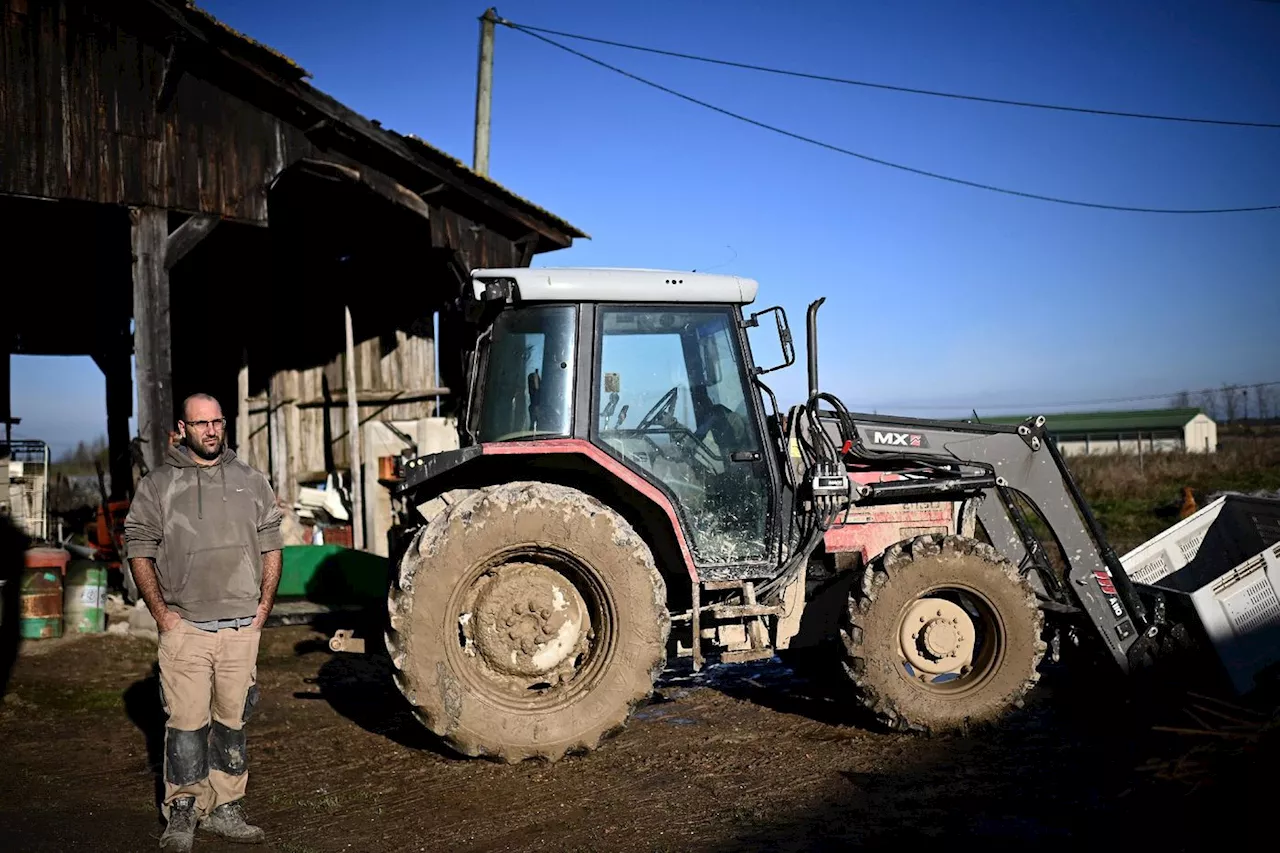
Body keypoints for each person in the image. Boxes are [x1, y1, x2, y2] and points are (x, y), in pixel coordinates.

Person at [124, 393, 283, 852]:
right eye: (201, 424)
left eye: (217, 422)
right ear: (183, 428)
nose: (211, 431)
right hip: (187, 629)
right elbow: (139, 547)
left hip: (240, 629)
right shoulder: (158, 485)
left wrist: (263, 610)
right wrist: (162, 615)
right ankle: (184, 811)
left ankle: (227, 809)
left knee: (233, 721)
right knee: (188, 725)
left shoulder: (251, 481)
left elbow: (271, 545)